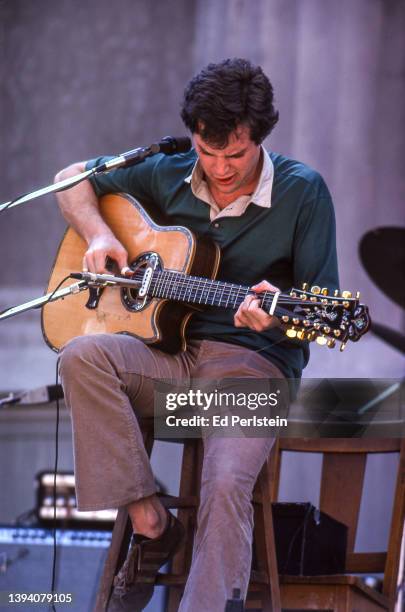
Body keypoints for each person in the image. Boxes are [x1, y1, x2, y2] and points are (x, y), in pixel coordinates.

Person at [55, 58, 339, 612]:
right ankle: (153, 522)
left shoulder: (304, 192)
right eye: (209, 153)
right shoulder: (168, 170)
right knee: (82, 356)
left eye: (236, 154)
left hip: (253, 367)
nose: (222, 168)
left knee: (228, 480)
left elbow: (320, 316)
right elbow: (70, 180)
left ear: (260, 138)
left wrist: (276, 317)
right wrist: (97, 234)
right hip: (171, 361)